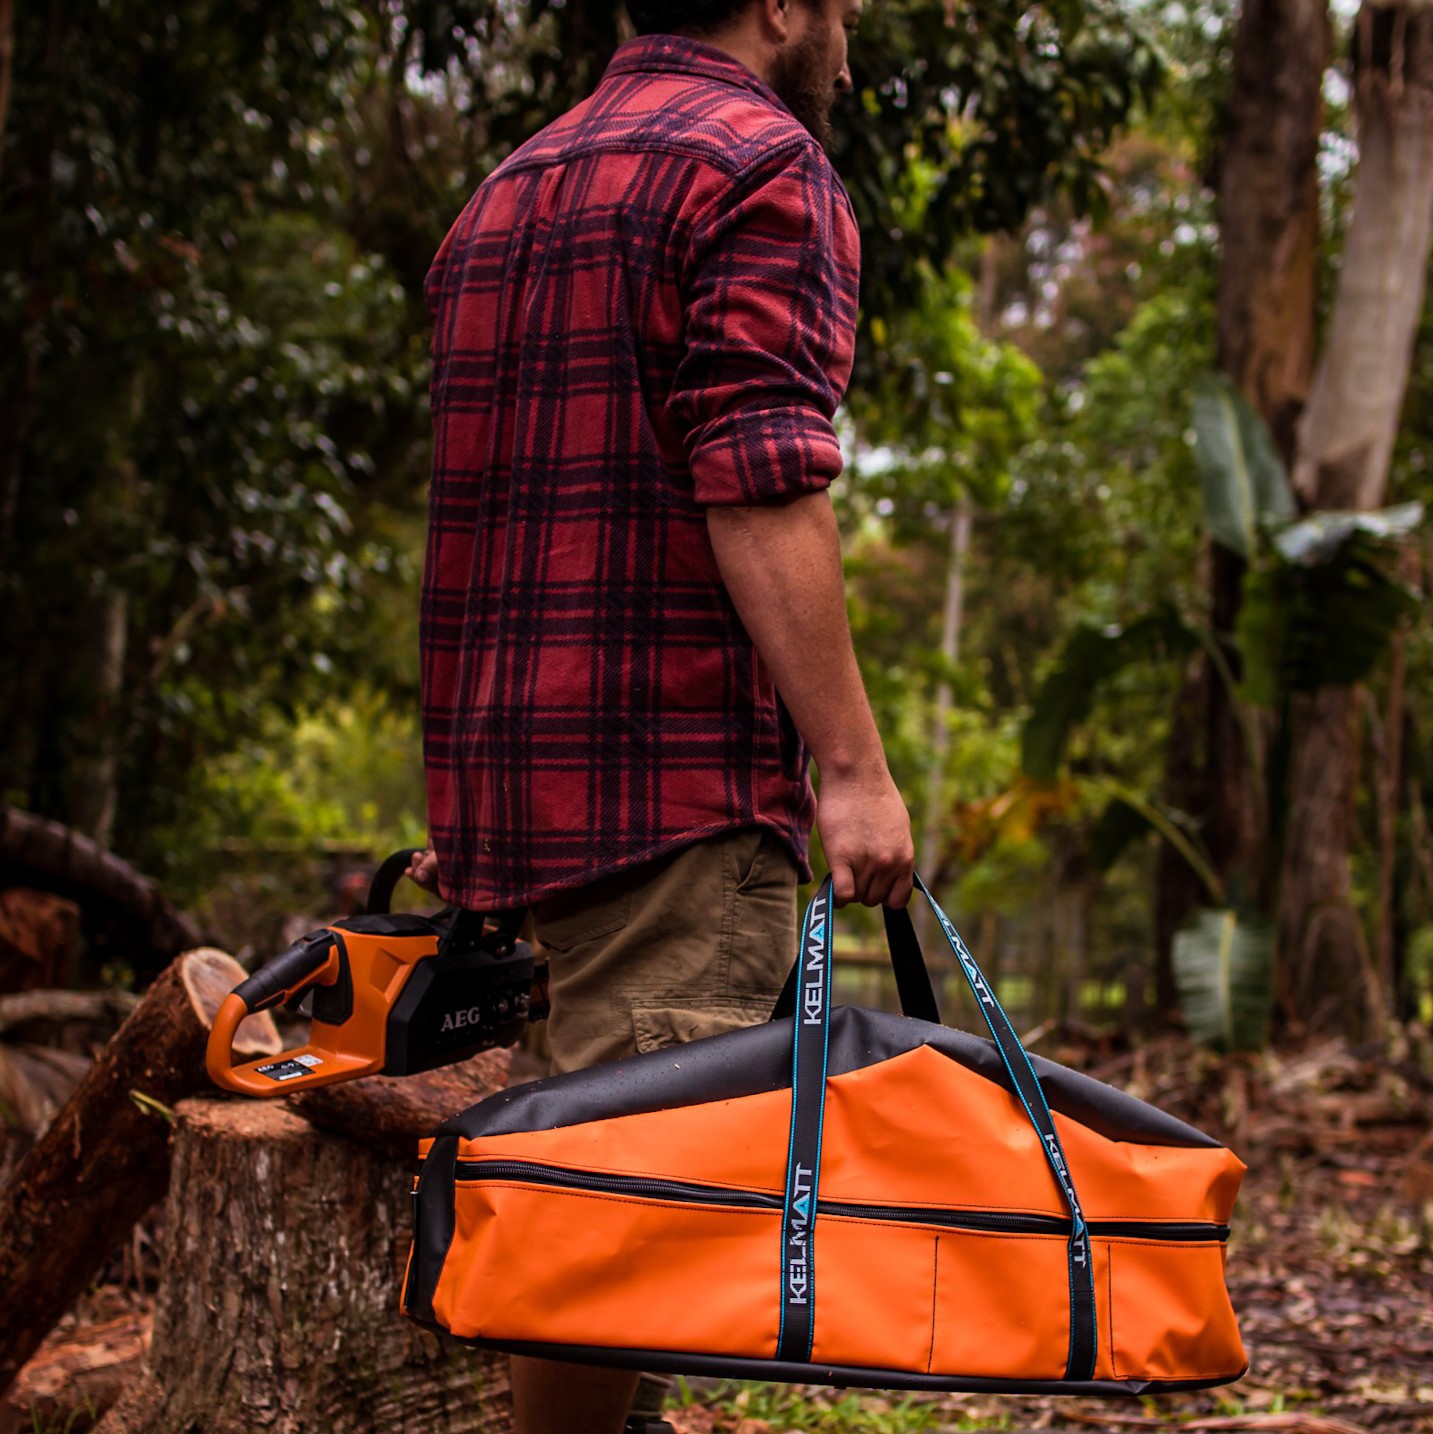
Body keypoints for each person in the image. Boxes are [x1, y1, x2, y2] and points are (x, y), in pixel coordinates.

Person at [409, 0, 913, 1428]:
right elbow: (756, 473)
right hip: (667, 782)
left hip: (507, 793)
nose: (851, 15)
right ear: (775, 2)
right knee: (610, 1212)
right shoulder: (761, 166)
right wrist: (854, 768)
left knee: (585, 1181)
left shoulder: (508, 186)